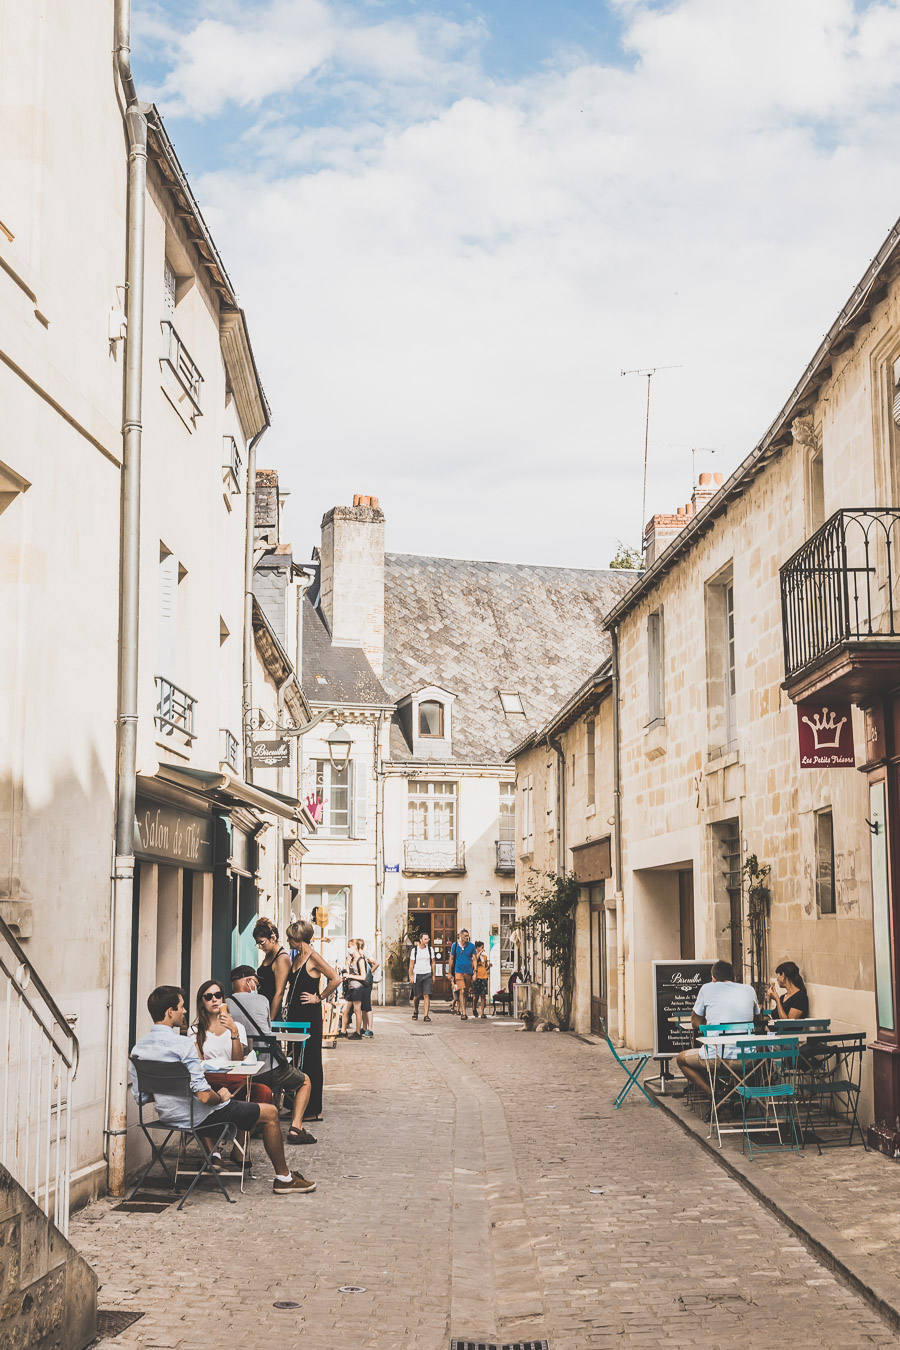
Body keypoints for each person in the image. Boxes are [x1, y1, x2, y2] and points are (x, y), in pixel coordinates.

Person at [129, 985, 315, 1195]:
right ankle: (284, 1178)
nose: (185, 1011)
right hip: (197, 1117)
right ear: (170, 1011)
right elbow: (204, 1096)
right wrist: (220, 1097)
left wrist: (171, 1094)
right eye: (181, 1007)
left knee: (254, 1095)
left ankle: (224, 1155)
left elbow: (142, 1097)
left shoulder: (139, 1048)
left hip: (166, 1117)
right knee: (271, 1113)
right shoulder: (183, 1045)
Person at [228, 966, 317, 1145]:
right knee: (305, 1081)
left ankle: (258, 1122)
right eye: (256, 982)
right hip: (267, 1067)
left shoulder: (225, 1004)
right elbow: (267, 1029)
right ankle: (296, 1127)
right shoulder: (262, 1000)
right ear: (247, 981)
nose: (257, 986)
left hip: (240, 1070)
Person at [675, 960, 760, 1104]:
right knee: (737, 1061)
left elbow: (695, 1023)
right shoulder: (749, 990)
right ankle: (732, 1093)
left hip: (716, 1057)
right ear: (734, 977)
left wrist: (711, 1023)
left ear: (714, 978)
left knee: (681, 1059)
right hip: (746, 1058)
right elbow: (757, 1021)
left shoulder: (707, 989)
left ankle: (714, 1095)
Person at [285, 921, 342, 1121]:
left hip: (309, 1015)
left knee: (310, 1060)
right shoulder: (297, 957)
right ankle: (296, 1105)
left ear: (299, 939)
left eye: (291, 938)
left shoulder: (313, 957)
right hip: (295, 1015)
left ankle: (314, 1109)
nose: (288, 941)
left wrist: (319, 997)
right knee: (294, 1058)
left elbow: (335, 978)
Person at [254, 919, 292, 1021]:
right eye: (258, 943)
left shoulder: (282, 958)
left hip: (272, 1011)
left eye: (262, 942)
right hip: (262, 1008)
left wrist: (271, 1019)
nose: (260, 947)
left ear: (273, 938)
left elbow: (279, 993)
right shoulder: (269, 955)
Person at [448, 928, 477, 1020]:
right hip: (458, 971)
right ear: (460, 936)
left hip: (468, 971)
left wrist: (475, 972)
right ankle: (463, 1012)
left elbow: (474, 959)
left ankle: (463, 1009)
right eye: (465, 936)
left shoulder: (471, 946)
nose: (467, 938)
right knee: (462, 990)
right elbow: (451, 958)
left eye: (468, 936)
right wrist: (449, 972)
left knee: (466, 992)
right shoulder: (455, 945)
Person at [339, 942, 365, 1039]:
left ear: (355, 947)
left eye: (350, 947)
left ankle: (358, 1033)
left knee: (357, 1010)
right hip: (350, 988)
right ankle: (343, 1031)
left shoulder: (360, 960)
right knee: (345, 1010)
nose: (348, 949)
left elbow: (363, 976)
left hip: (357, 988)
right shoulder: (351, 960)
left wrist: (349, 975)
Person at [355, 937, 379, 1038]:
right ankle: (364, 1028)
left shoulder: (365, 954)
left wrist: (370, 971)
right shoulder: (360, 955)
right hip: (363, 984)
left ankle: (370, 1029)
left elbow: (376, 963)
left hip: (367, 983)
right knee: (364, 1007)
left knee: (367, 1007)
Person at [409, 932, 435, 1022]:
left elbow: (433, 962)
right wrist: (411, 976)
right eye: (425, 939)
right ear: (420, 940)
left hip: (427, 974)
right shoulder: (415, 950)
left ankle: (426, 1015)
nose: (427, 941)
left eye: (428, 939)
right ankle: (416, 1010)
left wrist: (433, 975)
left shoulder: (430, 950)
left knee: (426, 994)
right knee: (416, 996)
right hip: (417, 974)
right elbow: (411, 964)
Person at [472, 941, 491, 1019]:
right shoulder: (474, 956)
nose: (483, 949)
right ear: (477, 947)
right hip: (477, 976)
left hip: (484, 976)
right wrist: (479, 953)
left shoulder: (484, 957)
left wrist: (488, 966)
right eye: (481, 947)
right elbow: (473, 964)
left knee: (483, 995)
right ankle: (474, 1007)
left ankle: (482, 1012)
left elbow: (485, 967)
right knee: (476, 995)